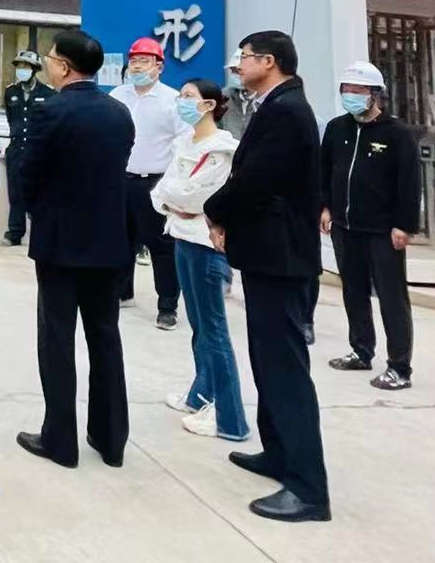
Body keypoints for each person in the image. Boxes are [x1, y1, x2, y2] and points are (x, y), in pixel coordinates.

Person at [204, 30, 331, 523]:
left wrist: (215, 210)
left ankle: (308, 489)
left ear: (269, 61)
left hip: (281, 257)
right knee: (267, 360)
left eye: (245, 57)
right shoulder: (273, 105)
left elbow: (256, 180)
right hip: (266, 254)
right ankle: (278, 453)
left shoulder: (287, 111)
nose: (239, 65)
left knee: (285, 370)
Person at [17, 29, 133, 470]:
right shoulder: (119, 113)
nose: (47, 64)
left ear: (64, 67)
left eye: (50, 59)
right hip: (108, 243)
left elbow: (28, 176)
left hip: (60, 245)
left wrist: (40, 212)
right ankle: (110, 439)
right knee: (105, 338)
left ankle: (60, 440)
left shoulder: (50, 111)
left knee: (57, 340)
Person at [151, 79, 248, 442]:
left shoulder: (222, 149)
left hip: (206, 244)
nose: (181, 102)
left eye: (189, 97)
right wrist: (174, 199)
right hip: (181, 236)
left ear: (208, 105)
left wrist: (176, 198)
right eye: (180, 96)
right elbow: (162, 193)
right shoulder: (185, 144)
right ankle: (201, 395)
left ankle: (230, 418)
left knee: (214, 330)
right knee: (199, 327)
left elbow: (199, 197)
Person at [320, 61, 420, 391]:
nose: (351, 95)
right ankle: (361, 350)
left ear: (375, 94)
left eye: (358, 90)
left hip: (382, 230)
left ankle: (399, 366)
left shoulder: (396, 133)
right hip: (344, 226)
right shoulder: (337, 129)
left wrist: (404, 225)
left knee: (392, 297)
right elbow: (324, 171)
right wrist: (324, 206)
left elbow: (409, 182)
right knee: (353, 291)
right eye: (346, 90)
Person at [109, 36, 189, 329]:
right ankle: (122, 291)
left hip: (155, 182)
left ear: (159, 66)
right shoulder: (118, 95)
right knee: (119, 240)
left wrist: (172, 184)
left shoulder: (173, 100)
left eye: (145, 60)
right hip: (121, 179)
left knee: (161, 247)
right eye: (133, 60)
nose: (138, 66)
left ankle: (167, 305)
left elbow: (184, 142)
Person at [0, 48, 52, 248]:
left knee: (39, 193)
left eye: (26, 66)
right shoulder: (11, 92)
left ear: (35, 69)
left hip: (39, 150)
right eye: (19, 66)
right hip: (17, 149)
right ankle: (14, 233)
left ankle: (41, 234)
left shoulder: (48, 93)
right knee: (16, 193)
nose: (21, 70)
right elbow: (12, 119)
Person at [221, 55, 250, 139]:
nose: (234, 75)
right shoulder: (223, 96)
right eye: (232, 71)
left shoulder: (266, 98)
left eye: (238, 71)